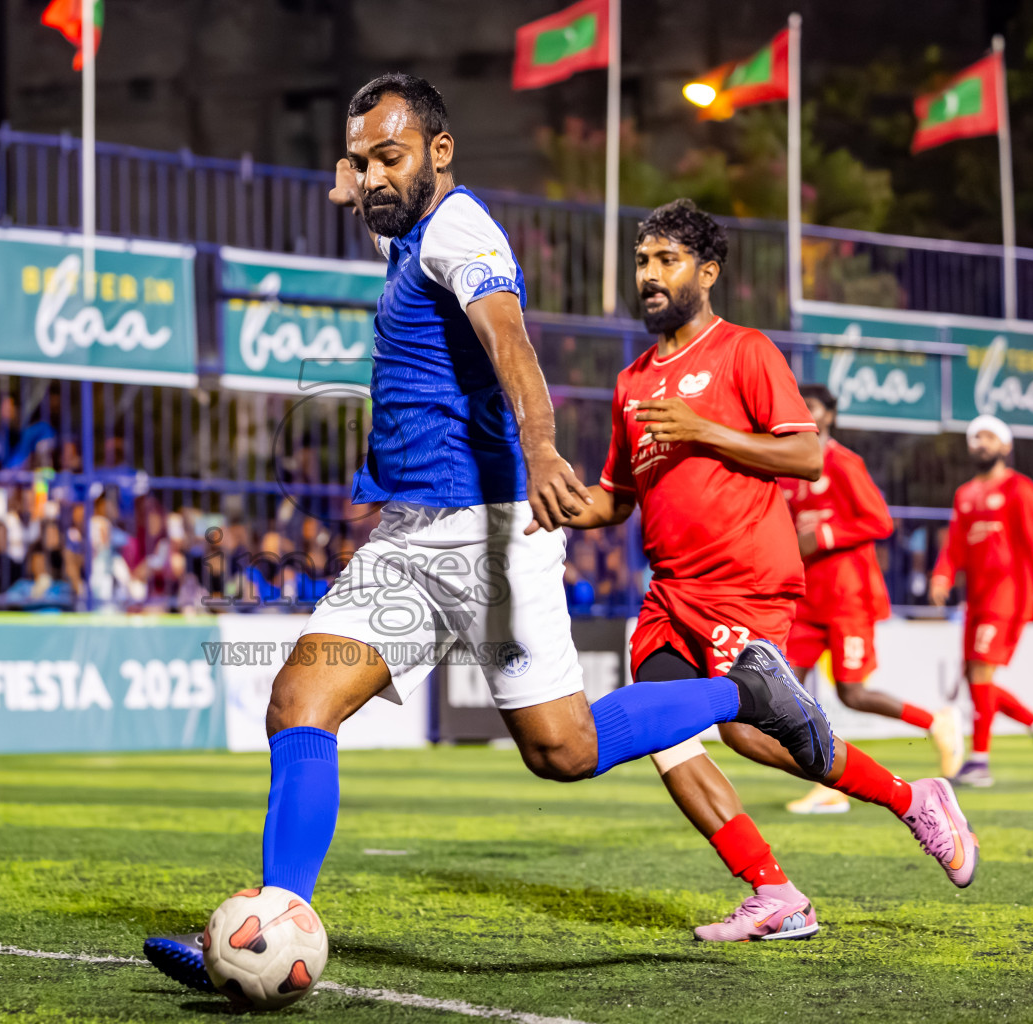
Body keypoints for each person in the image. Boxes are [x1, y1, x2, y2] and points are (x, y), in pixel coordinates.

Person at [144, 74, 842, 990]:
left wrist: (545, 450)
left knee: (564, 750)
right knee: (297, 703)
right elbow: (367, 193)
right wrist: (354, 179)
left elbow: (511, 342)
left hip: (489, 535)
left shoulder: (462, 231)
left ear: (440, 151)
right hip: (408, 534)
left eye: (389, 157)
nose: (371, 177)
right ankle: (275, 925)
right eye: (360, 161)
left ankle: (742, 691)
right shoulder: (400, 229)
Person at [566, 199, 978, 941]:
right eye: (642, 261)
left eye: (667, 260)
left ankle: (907, 802)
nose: (650, 275)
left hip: (743, 582)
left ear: (708, 271)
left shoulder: (744, 351)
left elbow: (807, 455)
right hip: (670, 593)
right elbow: (615, 498)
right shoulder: (630, 382)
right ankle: (780, 887)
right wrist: (555, 504)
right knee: (687, 736)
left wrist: (706, 430)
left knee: (752, 728)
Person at [780, 385, 964, 813]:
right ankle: (826, 781)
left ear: (829, 416)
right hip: (806, 599)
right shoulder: (787, 471)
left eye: (814, 407)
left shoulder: (843, 462)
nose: (805, 413)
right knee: (785, 687)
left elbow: (880, 520)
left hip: (848, 597)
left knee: (853, 694)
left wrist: (822, 535)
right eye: (800, 407)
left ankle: (936, 721)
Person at [931, 415, 1033, 786]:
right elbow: (954, 544)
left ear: (1006, 446)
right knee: (977, 679)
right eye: (976, 438)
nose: (981, 444)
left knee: (982, 673)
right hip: (976, 598)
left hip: (1008, 595)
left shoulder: (1021, 488)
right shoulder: (965, 494)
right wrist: (942, 574)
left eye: (989, 437)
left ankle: (980, 762)